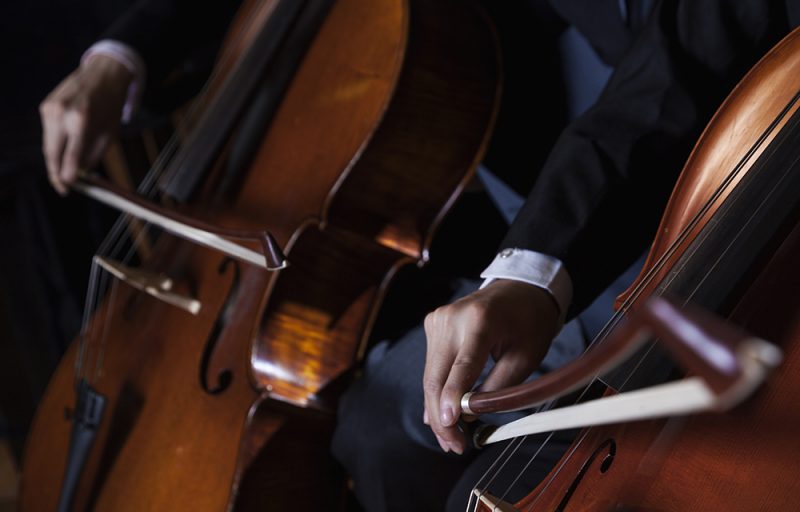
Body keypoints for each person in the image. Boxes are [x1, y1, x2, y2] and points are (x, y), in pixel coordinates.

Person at [37, 0, 800, 511]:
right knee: (377, 427)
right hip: (506, 204)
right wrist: (122, 53)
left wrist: (533, 270)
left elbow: (679, 62)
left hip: (696, 190)